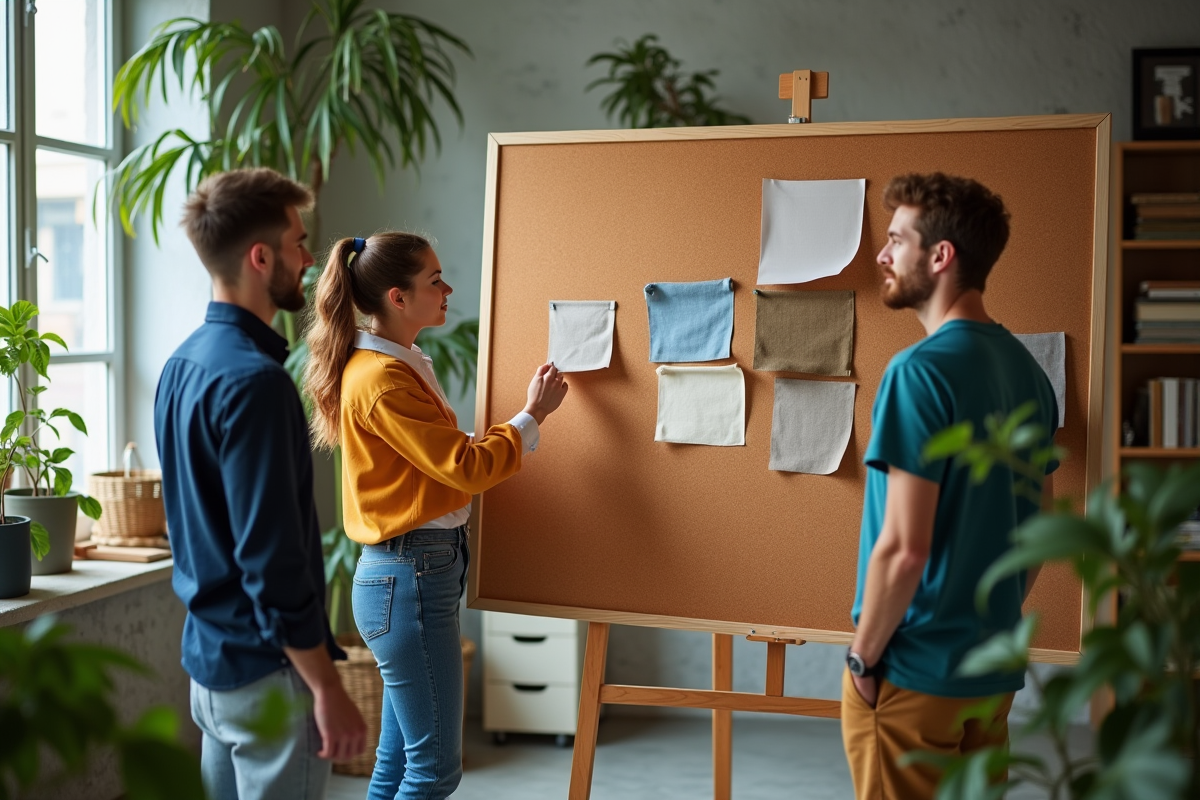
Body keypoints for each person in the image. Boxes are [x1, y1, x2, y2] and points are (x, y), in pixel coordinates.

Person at [303, 231, 568, 799]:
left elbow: (438, 461)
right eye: (434, 280)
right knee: (432, 772)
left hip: (411, 575)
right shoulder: (382, 379)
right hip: (410, 579)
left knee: (399, 765)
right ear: (397, 298)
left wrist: (504, 433)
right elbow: (466, 468)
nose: (448, 289)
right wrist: (531, 416)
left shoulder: (397, 364)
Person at [841, 173, 1059, 799]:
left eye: (896, 240)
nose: (881, 256)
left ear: (940, 257)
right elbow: (1040, 524)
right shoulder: (1026, 371)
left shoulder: (919, 372)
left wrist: (863, 658)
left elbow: (905, 548)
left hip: (914, 671)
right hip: (990, 672)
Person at [156, 168, 367, 800]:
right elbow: (270, 561)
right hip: (271, 676)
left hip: (211, 669)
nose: (309, 259)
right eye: (300, 242)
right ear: (260, 256)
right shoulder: (257, 383)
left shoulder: (181, 364)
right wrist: (327, 688)